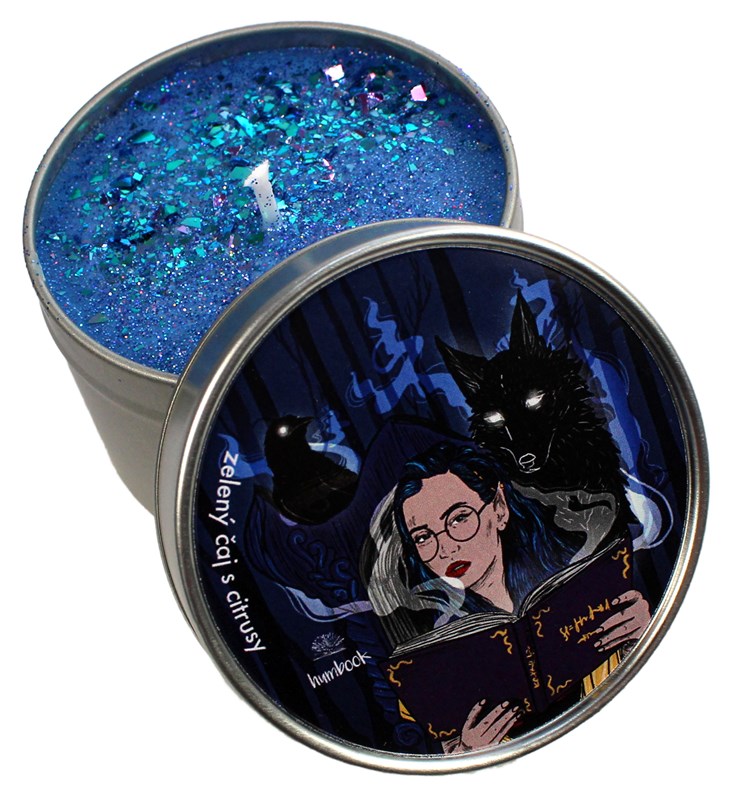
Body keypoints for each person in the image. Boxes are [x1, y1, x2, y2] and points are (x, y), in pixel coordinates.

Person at [383, 441, 650, 753]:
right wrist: (469, 750)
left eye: (458, 518)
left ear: (499, 507)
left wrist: (643, 637)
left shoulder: (581, 585)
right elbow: (445, 750)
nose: (446, 548)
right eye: (423, 537)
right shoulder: (433, 656)